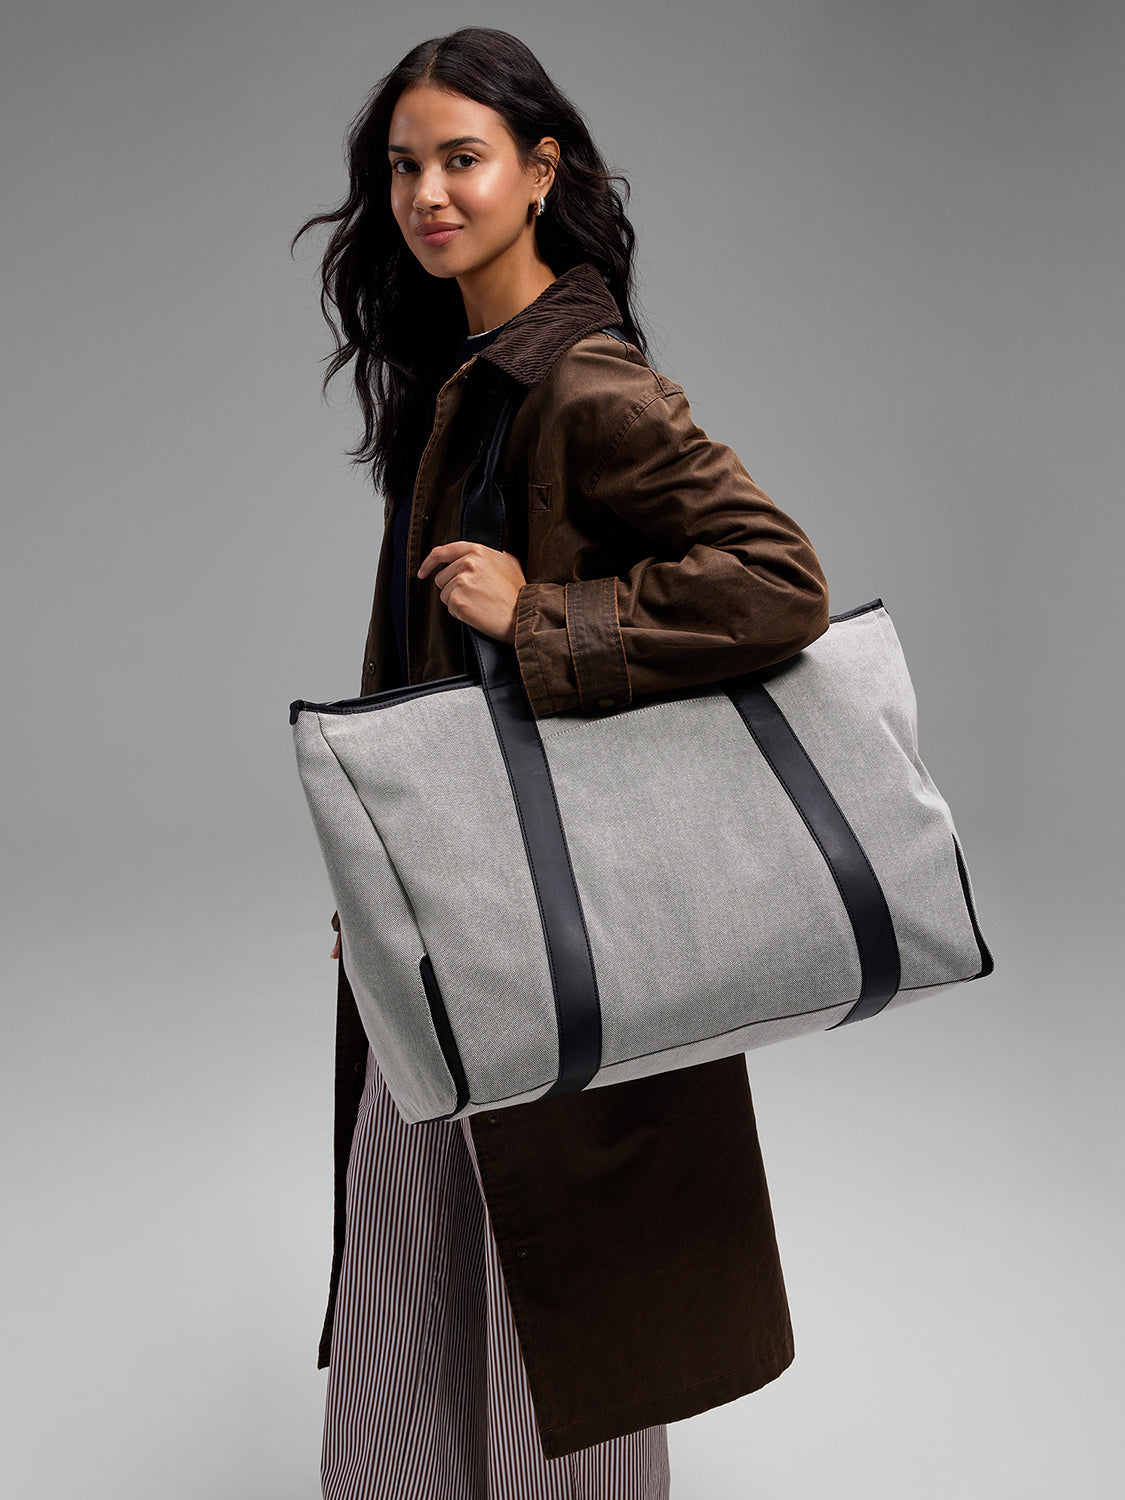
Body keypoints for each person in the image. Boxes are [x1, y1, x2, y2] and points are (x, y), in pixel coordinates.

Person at [292, 25, 830, 1499]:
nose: (426, 195)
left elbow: (777, 582)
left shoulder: (583, 382)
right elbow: (420, 682)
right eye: (404, 166)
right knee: (417, 1235)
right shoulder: (463, 378)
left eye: (461, 159)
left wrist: (539, 614)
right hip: (470, 909)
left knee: (557, 1285)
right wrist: (385, 879)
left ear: (539, 173)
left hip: (568, 921)